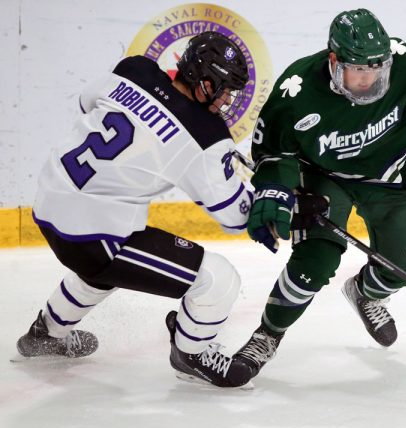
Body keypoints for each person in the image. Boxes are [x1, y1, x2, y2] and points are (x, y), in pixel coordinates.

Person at [234, 9, 406, 379]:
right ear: (334, 60)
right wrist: (276, 189)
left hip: (391, 175)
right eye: (358, 70)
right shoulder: (297, 90)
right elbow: (275, 153)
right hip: (327, 179)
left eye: (375, 69)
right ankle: (267, 335)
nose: (368, 79)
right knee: (315, 262)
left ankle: (366, 293)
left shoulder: (405, 62)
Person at [16, 32, 255, 388]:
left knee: (103, 268)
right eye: (220, 88)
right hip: (92, 237)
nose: (224, 100)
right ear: (200, 76)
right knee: (218, 279)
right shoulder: (204, 133)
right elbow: (236, 218)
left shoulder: (135, 70)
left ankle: (45, 334)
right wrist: (266, 197)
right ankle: (191, 353)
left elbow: (86, 103)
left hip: (49, 201)